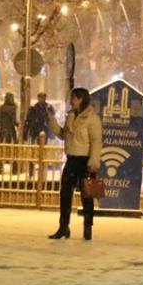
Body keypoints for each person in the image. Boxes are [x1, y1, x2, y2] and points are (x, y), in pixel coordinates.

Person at [47, 87, 103, 241]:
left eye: (73, 98)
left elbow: (96, 141)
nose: (71, 101)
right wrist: (52, 121)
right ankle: (63, 227)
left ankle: (88, 227)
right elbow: (63, 135)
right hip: (71, 159)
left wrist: (93, 162)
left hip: (85, 161)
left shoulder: (92, 118)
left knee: (87, 197)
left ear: (81, 99)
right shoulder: (71, 116)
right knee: (65, 194)